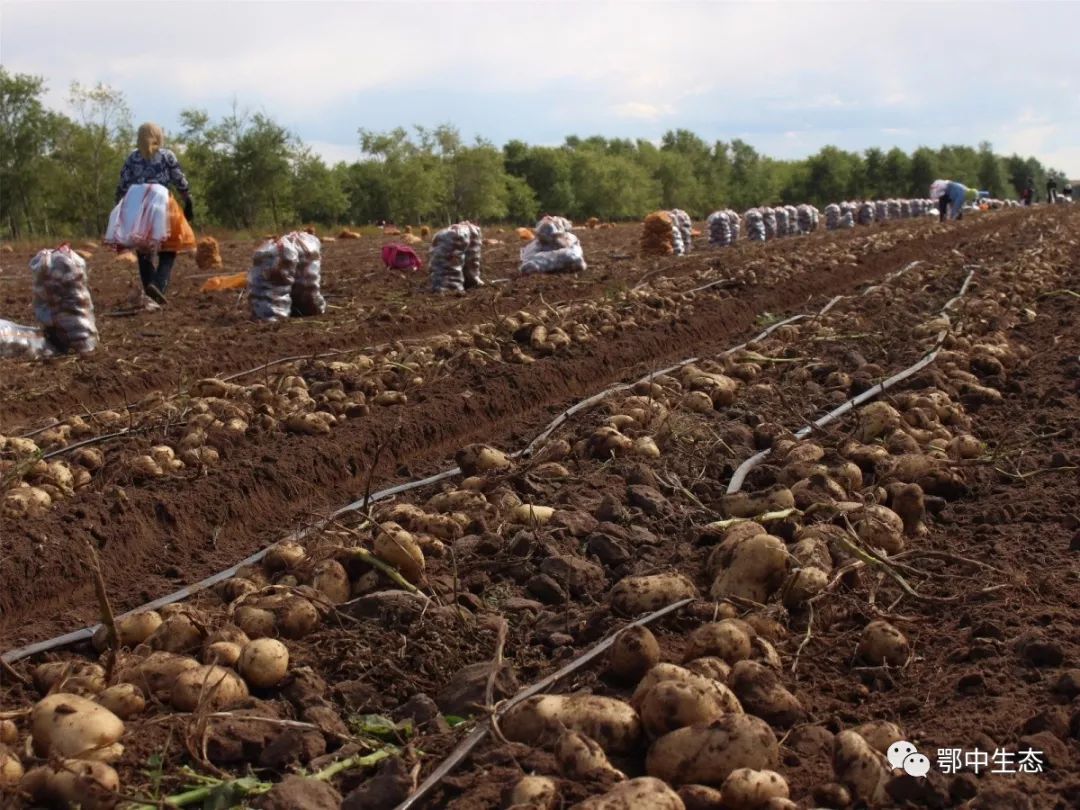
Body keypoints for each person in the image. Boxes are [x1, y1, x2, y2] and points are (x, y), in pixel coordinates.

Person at [115, 122, 193, 305]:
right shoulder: (166, 156)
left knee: (143, 249)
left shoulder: (132, 158)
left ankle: (150, 289)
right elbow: (179, 179)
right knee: (169, 249)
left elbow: (123, 184)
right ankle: (157, 285)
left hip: (138, 203)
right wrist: (188, 198)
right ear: (158, 136)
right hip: (161, 201)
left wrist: (119, 206)